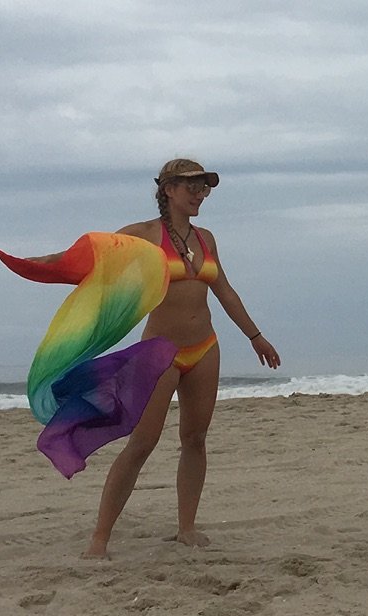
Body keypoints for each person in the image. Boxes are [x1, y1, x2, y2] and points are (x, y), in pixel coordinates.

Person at [84, 158, 280, 557]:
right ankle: (100, 538)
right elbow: (92, 258)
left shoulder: (206, 238)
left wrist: (255, 336)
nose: (199, 194)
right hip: (161, 352)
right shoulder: (142, 236)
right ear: (168, 189)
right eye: (191, 186)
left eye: (204, 187)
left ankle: (186, 528)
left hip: (205, 347)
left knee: (195, 438)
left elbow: (224, 291)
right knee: (142, 442)